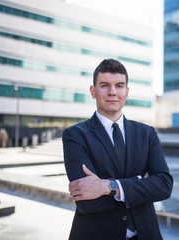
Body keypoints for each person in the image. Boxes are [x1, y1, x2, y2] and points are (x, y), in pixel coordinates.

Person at [63, 59, 173, 240]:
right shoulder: (75, 135)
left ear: (127, 92)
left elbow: (164, 186)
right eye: (104, 85)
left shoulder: (147, 133)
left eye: (119, 86)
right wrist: (141, 184)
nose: (112, 92)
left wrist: (108, 186)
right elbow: (87, 202)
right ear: (93, 91)